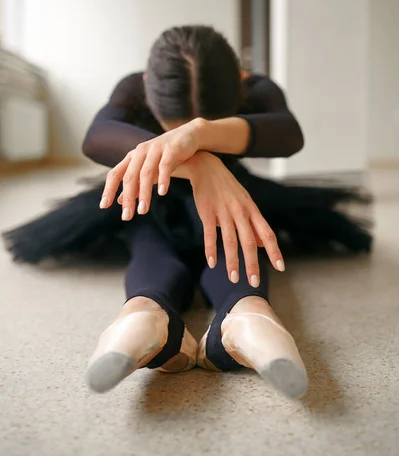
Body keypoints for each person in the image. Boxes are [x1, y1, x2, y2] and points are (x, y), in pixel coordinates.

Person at [3, 25, 372, 400]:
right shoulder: (133, 88)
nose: (181, 143)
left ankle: (147, 318)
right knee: (148, 223)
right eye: (170, 132)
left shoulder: (259, 89)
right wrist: (199, 163)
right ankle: (250, 318)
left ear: (242, 82)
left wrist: (193, 135)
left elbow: (289, 134)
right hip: (151, 196)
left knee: (235, 226)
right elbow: (96, 139)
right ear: (147, 86)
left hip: (229, 197)